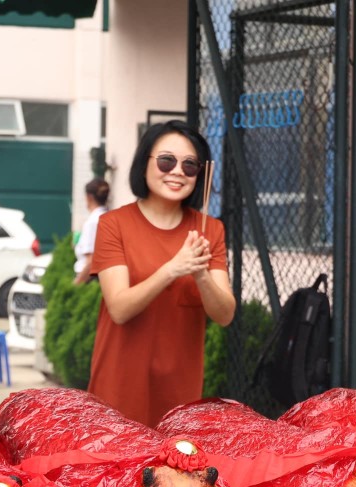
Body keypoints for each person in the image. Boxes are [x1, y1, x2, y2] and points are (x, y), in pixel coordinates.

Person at [88, 120, 235, 429]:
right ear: (145, 164)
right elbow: (119, 308)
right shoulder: (114, 224)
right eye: (167, 160)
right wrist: (172, 269)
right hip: (119, 387)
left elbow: (224, 315)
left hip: (180, 397)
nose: (178, 171)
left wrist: (201, 274)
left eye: (190, 165)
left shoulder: (211, 230)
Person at [73, 178, 110, 285]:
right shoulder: (109, 217)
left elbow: (91, 262)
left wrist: (76, 286)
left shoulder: (93, 222)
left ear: (89, 197)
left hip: (88, 280)